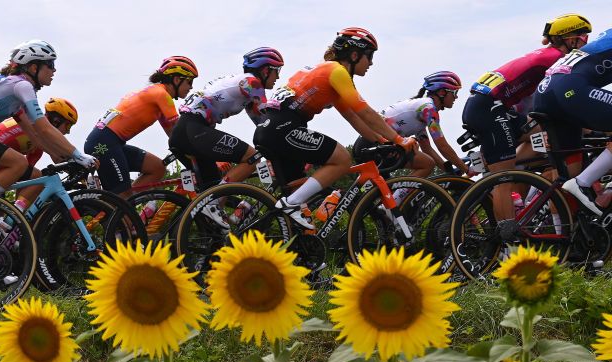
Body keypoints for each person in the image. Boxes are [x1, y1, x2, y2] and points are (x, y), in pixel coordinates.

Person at [253, 28, 416, 229]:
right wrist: (399, 140)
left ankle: (303, 251)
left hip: (270, 129)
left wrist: (382, 142)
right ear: (355, 55)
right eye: (370, 56)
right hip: (284, 128)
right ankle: (290, 204)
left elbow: (353, 118)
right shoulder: (337, 72)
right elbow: (366, 113)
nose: (371, 63)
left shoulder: (326, 71)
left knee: (300, 195)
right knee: (342, 159)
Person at [0, 39, 95, 236]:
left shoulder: (15, 92)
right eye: (50, 65)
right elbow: (45, 128)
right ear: (34, 67)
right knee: (17, 162)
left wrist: (65, 157)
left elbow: (35, 135)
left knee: (35, 176)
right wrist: (79, 155)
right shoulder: (22, 86)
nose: (54, 71)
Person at [462, 14, 591, 238]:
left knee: (547, 135)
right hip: (490, 108)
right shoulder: (555, 59)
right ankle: (508, 241)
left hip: (492, 106)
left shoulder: (546, 54)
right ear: (570, 40)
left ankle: (528, 170)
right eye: (583, 38)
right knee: (504, 178)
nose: (585, 44)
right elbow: (564, 96)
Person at [170, 47, 284, 196]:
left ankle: (208, 211)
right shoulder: (252, 83)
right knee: (252, 157)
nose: (278, 77)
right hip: (194, 129)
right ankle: (213, 201)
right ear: (265, 71)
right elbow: (270, 121)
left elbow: (263, 125)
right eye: (277, 71)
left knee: (211, 186)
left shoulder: (244, 87)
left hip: (187, 130)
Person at [84, 56, 199, 196]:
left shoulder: (156, 94)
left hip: (109, 141)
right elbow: (181, 133)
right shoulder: (161, 95)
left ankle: (128, 206)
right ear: (176, 80)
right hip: (104, 143)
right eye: (189, 81)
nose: (191, 87)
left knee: (157, 168)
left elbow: (174, 136)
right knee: (122, 199)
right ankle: (122, 210)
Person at [535, 24, 612, 215]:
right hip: (570, 89)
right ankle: (582, 182)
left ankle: (565, 237)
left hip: (546, 93)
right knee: (574, 179)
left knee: (569, 170)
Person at [353, 71, 468, 177]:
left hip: (370, 145)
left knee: (424, 161)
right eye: (454, 92)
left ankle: (395, 197)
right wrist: (466, 169)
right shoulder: (428, 109)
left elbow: (427, 149)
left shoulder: (421, 111)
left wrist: (449, 170)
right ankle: (397, 199)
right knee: (427, 164)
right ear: (442, 92)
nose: (456, 97)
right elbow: (442, 146)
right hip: (373, 145)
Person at [0, 97, 78, 211]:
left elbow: (26, 178)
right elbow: (59, 155)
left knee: (31, 179)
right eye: (68, 126)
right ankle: (16, 213)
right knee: (38, 177)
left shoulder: (37, 142)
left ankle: (15, 215)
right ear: (56, 121)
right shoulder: (37, 128)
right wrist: (79, 160)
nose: (68, 132)